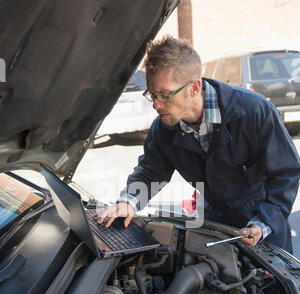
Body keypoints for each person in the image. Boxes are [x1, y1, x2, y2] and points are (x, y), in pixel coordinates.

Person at [98, 35, 300, 253]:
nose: (156, 104)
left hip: (265, 224)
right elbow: (150, 173)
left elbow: (286, 173)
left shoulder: (254, 111)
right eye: (152, 94)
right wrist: (128, 202)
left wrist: (263, 223)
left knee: (273, 286)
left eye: (165, 95)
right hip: (215, 223)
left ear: (194, 88)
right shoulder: (163, 129)